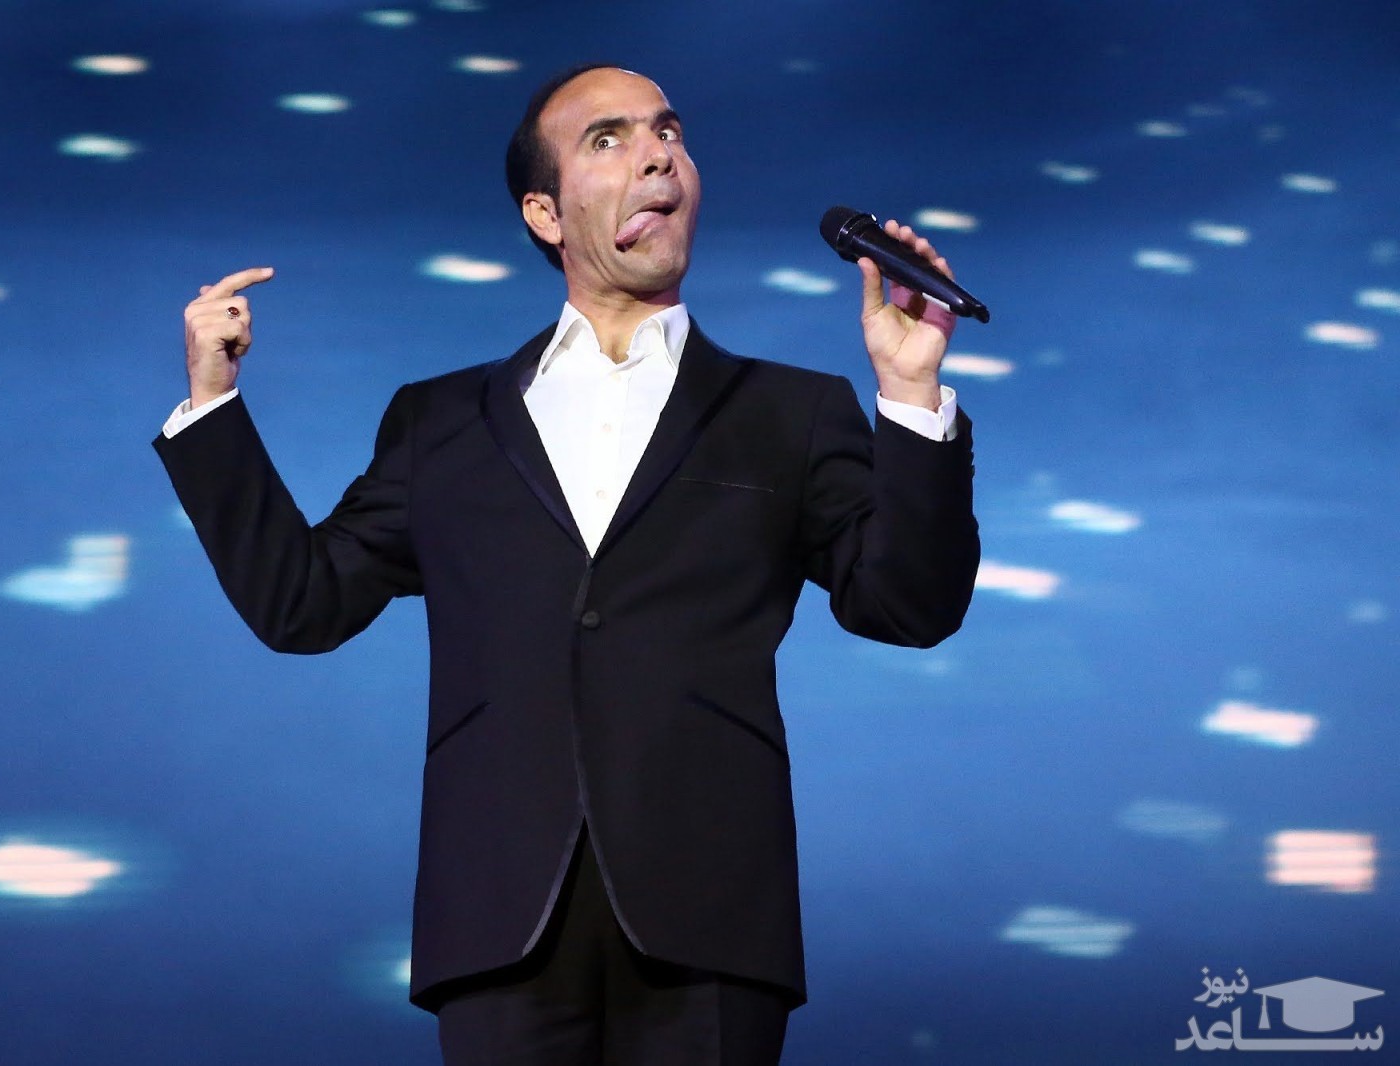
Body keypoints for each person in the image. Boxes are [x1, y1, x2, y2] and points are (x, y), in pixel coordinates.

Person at [155, 64, 980, 1066]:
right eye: (609, 138)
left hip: (711, 913)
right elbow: (303, 603)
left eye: (669, 131)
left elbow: (908, 605)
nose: (657, 154)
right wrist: (212, 404)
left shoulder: (788, 411)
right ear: (544, 213)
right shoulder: (440, 422)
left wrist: (909, 394)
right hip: (499, 916)